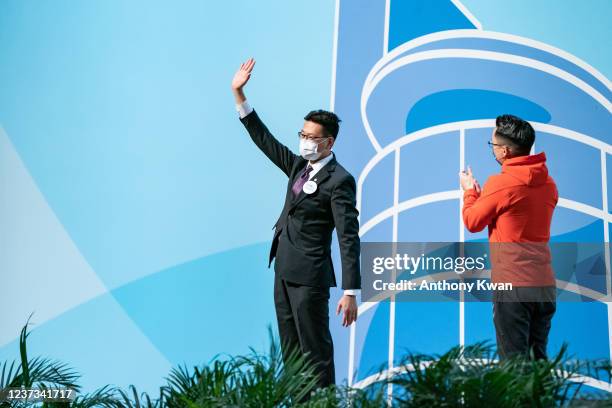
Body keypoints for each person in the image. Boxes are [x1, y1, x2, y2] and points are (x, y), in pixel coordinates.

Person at [231, 58, 360, 389]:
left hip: (311, 276)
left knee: (314, 351)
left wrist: (350, 291)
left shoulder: (340, 180)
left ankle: (324, 401)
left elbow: (348, 238)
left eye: (311, 136)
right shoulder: (299, 166)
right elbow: (266, 141)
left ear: (329, 143)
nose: (304, 141)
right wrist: (239, 95)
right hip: (284, 269)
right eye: (302, 134)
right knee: (291, 352)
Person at [459, 114, 558, 360]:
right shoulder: (549, 184)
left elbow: (472, 222)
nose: (492, 150)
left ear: (504, 151)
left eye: (493, 146)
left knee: (513, 369)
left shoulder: (501, 184)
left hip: (513, 287)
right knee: (538, 364)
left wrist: (470, 192)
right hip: (544, 285)